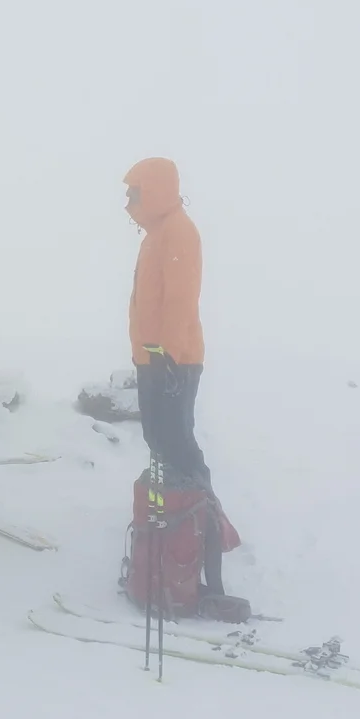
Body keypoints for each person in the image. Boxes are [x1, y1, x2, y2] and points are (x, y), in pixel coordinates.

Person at [124, 155, 222, 593]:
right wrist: (150, 354)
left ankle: (205, 522)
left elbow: (180, 300)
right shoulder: (158, 235)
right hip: (155, 357)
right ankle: (177, 520)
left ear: (155, 190)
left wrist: (166, 353)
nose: (128, 201)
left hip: (172, 358)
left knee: (176, 441)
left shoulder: (179, 231)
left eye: (135, 192)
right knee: (159, 439)